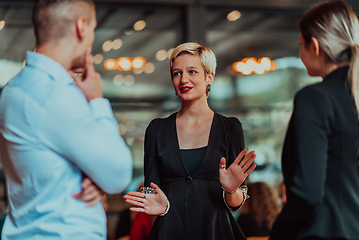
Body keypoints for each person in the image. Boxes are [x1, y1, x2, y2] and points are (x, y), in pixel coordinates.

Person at [0, 0, 133, 239]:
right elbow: (119, 173)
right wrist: (97, 100)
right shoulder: (54, 94)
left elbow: (49, 166)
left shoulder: (14, 88)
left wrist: (94, 177)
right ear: (81, 27)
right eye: (93, 28)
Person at [124, 42, 256, 240]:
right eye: (177, 73)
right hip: (170, 230)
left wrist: (232, 189)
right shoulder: (157, 129)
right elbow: (153, 190)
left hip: (216, 231)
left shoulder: (230, 128)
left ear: (209, 77)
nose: (183, 79)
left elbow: (236, 203)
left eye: (192, 71)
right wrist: (161, 206)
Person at [270, 1, 359, 239]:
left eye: (301, 45)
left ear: (315, 46)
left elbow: (307, 195)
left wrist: (278, 234)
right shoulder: (353, 99)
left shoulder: (316, 98)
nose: (300, 54)